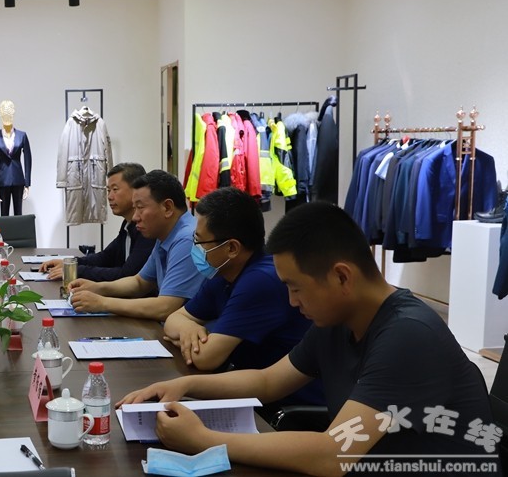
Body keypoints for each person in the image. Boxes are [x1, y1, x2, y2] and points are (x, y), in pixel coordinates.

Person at [118, 202, 499, 476]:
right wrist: (184, 385)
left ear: (341, 276)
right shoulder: (338, 319)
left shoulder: (408, 335)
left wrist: (203, 440)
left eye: (296, 288)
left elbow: (333, 454)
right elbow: (267, 381)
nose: (291, 301)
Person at [163, 187, 323, 409]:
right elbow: (173, 319)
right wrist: (188, 329)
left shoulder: (261, 280)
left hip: (287, 408)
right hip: (251, 392)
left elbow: (205, 359)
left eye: (200, 242)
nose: (195, 248)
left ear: (231, 248)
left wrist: (186, 334)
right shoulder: (223, 273)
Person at [68, 170, 203, 320]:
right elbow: (139, 282)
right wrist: (97, 287)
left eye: (140, 207)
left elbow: (165, 307)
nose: (135, 217)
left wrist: (103, 303)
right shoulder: (165, 233)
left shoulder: (186, 239)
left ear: (167, 207)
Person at [39, 163, 155, 282]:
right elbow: (106, 257)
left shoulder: (147, 230)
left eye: (115, 189)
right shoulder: (128, 225)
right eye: (108, 190)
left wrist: (77, 271)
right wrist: (70, 263)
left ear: (136, 190)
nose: (109, 196)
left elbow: (127, 275)